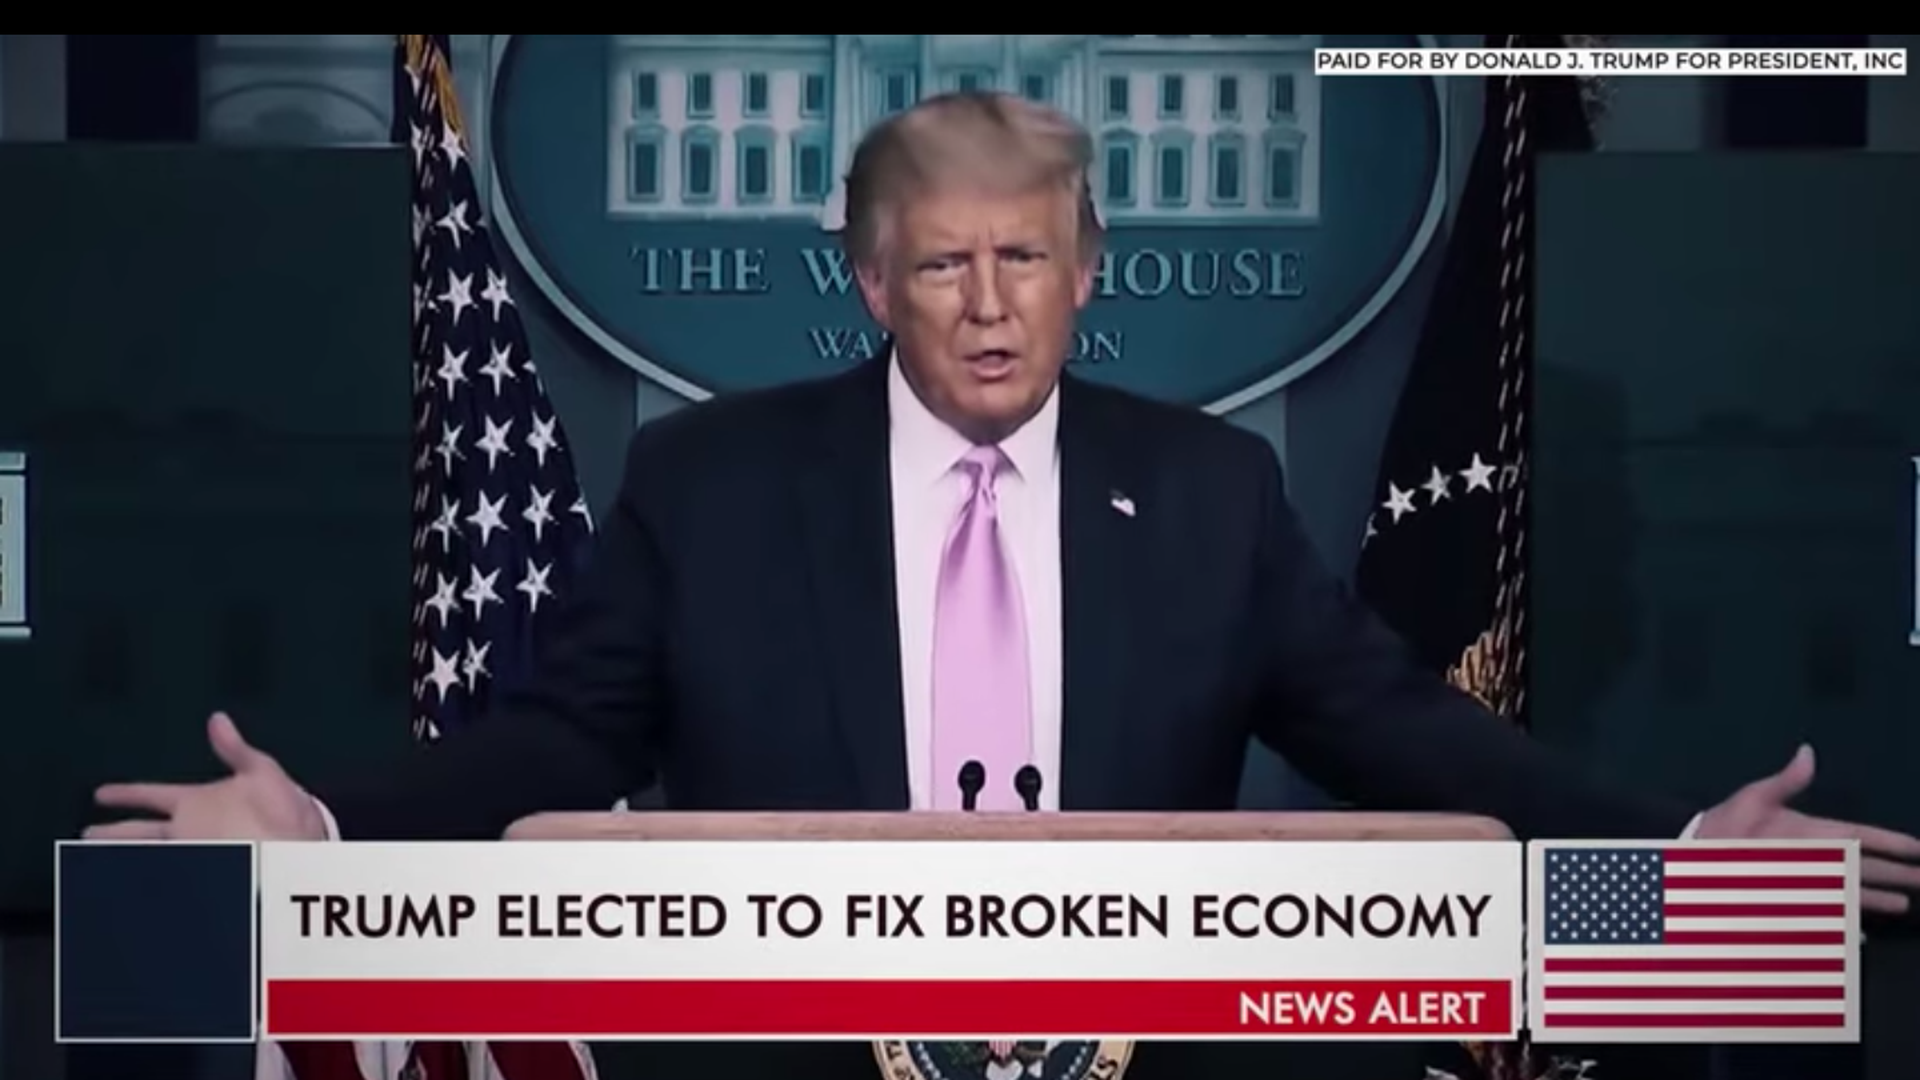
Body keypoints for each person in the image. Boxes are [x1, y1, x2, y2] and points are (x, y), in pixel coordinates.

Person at [86, 90, 1917, 1074]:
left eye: (1025, 258)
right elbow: (550, 736)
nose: (987, 304)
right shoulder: (711, 483)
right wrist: (317, 821)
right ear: (870, 285)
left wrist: (1672, 854)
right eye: (942, 264)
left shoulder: (1206, 492)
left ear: (1085, 271)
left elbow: (1404, 733)